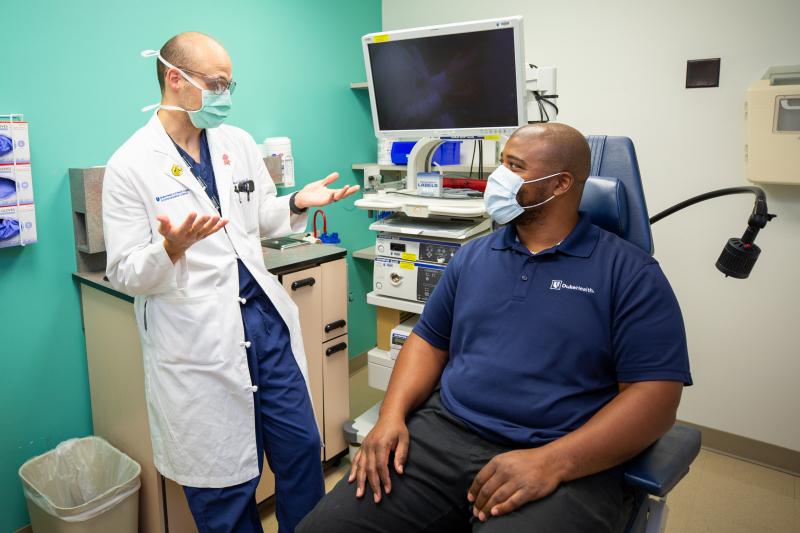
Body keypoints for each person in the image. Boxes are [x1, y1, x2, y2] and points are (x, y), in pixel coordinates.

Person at [297, 123, 691, 533]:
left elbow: (656, 399)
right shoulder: (474, 255)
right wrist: (391, 417)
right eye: (501, 163)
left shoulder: (630, 273)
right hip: (444, 434)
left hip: (561, 450)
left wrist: (552, 462)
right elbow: (428, 343)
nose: (496, 179)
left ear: (559, 184)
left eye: (514, 166)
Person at [102, 32, 358, 533]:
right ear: (175, 80)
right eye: (217, 84)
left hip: (263, 322)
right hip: (198, 338)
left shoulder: (235, 143)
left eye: (229, 83)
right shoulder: (129, 166)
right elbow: (125, 272)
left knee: (302, 449)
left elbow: (258, 216)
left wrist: (297, 203)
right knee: (224, 486)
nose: (226, 95)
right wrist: (170, 249)